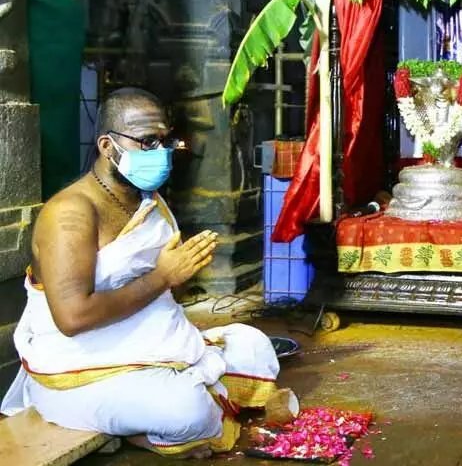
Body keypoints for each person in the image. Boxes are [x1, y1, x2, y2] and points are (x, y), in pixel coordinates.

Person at [1, 88, 281, 458]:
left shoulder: (147, 201)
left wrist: (178, 280)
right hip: (77, 369)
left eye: (165, 141)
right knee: (189, 411)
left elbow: (164, 300)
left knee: (255, 347)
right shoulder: (69, 214)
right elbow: (72, 317)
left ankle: (146, 415)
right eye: (147, 142)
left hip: (142, 348)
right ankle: (145, 431)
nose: (162, 153)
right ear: (107, 146)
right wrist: (163, 277)